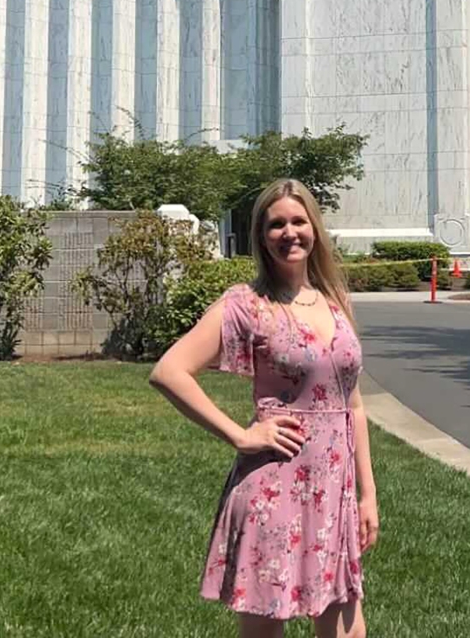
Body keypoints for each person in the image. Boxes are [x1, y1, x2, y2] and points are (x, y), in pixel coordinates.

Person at [150, 179, 378, 638]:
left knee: (348, 630)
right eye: (276, 224)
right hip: (275, 487)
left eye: (298, 221)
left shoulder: (334, 300)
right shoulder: (247, 305)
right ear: (261, 236)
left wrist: (367, 494)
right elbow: (169, 371)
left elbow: (351, 403)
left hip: (333, 491)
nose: (289, 232)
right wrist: (241, 434)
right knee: (265, 628)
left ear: (315, 227)